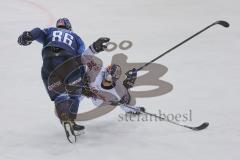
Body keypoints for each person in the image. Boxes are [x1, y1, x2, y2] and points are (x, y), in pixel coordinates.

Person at [17, 18, 109, 143]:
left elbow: (38, 31)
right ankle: (71, 120)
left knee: (60, 96)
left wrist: (29, 35)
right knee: (74, 94)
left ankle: (65, 118)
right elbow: (82, 58)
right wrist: (82, 78)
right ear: (69, 28)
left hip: (49, 64)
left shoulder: (50, 31)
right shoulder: (76, 37)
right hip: (69, 63)